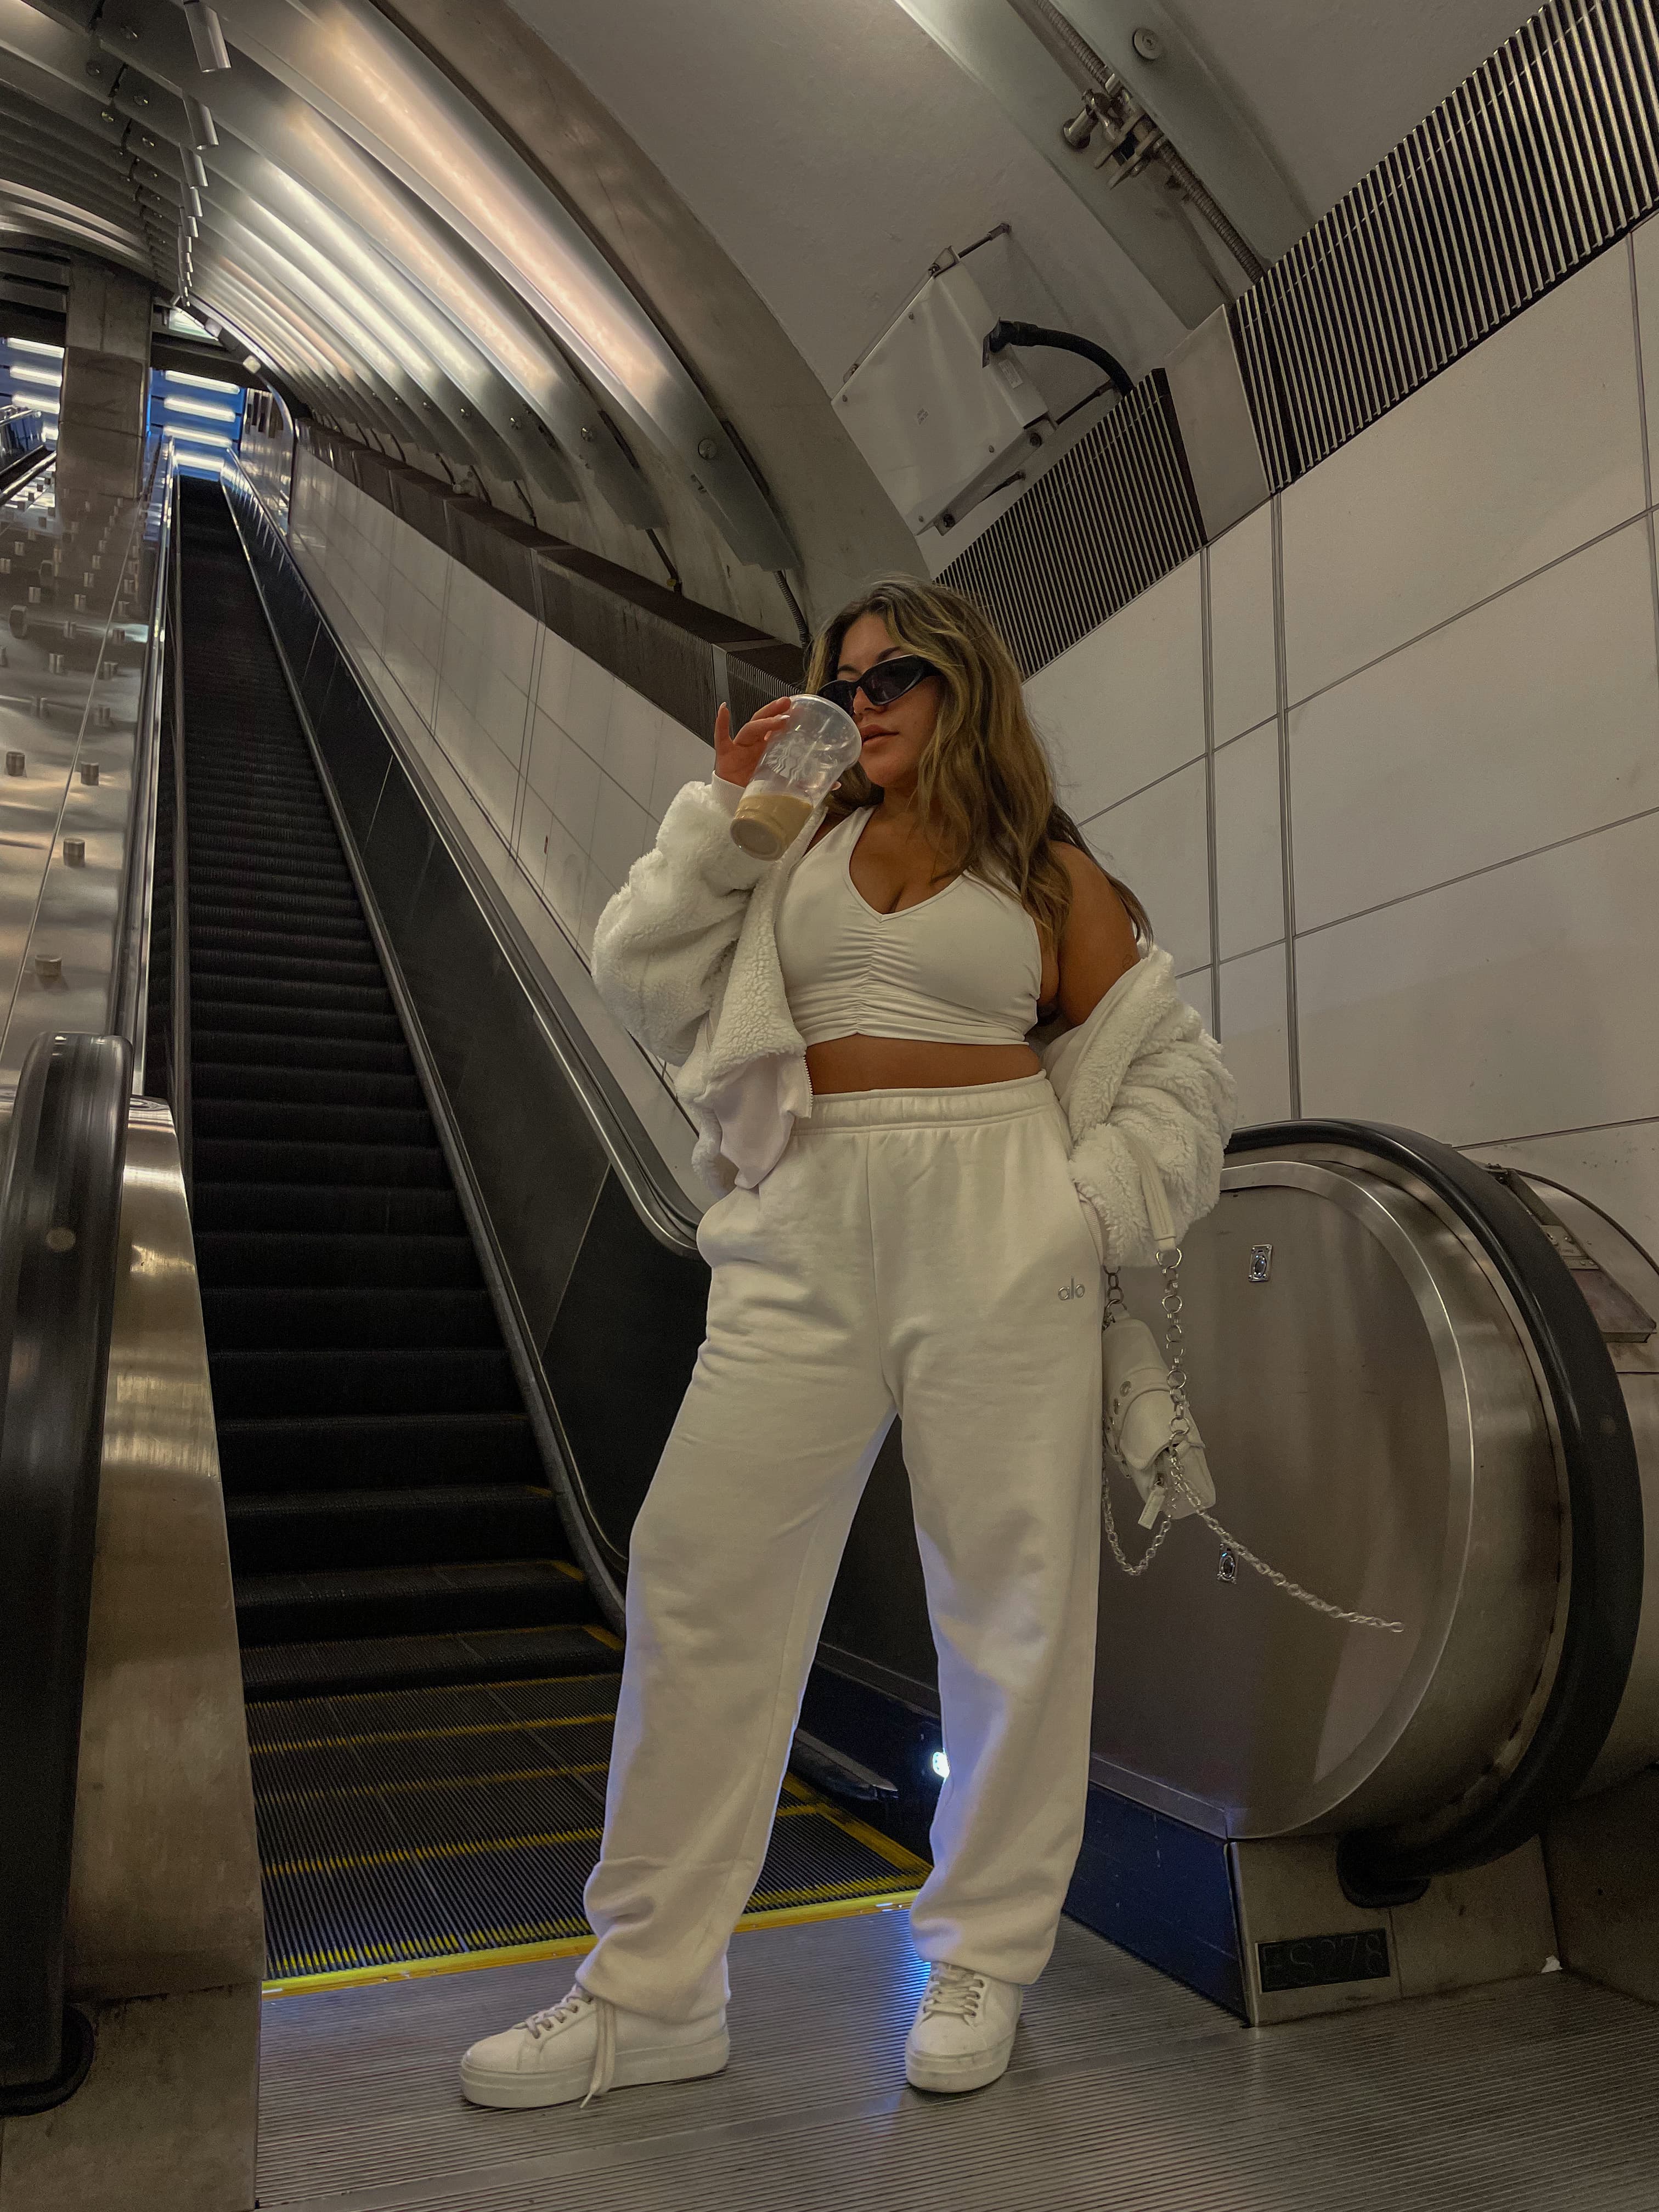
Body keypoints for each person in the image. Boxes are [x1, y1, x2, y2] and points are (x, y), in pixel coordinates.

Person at [460, 578, 1235, 2112]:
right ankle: (651, 1989)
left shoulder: (1047, 869)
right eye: (845, 680)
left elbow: (1173, 1077)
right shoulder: (792, 844)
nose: (862, 699)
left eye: (894, 676)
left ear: (966, 685)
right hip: (805, 1218)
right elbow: (637, 966)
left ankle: (984, 1956)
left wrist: (1080, 1212)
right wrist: (740, 808)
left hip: (997, 1210)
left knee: (1011, 1597)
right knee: (700, 1570)